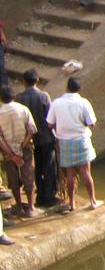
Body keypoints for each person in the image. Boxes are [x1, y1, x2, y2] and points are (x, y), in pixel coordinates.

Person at [46, 77, 98, 212]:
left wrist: (60, 127)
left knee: (70, 174)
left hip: (65, 141)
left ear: (67, 87)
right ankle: (92, 201)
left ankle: (72, 203)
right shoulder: (84, 102)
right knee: (85, 172)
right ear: (79, 89)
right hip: (81, 139)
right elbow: (92, 123)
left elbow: (49, 123)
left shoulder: (57, 103)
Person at [15, 70, 57, 209]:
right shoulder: (44, 96)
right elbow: (50, 118)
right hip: (46, 137)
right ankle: (49, 197)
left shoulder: (19, 98)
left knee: (36, 168)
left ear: (23, 82)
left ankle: (40, 197)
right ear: (37, 80)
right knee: (49, 167)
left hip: (29, 138)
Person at [0, 86, 37, 217]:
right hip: (25, 148)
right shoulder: (23, 109)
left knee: (13, 178)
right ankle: (31, 207)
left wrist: (11, 154)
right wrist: (22, 146)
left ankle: (19, 206)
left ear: (1, 98)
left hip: (8, 150)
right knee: (28, 175)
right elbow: (32, 130)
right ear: (14, 97)